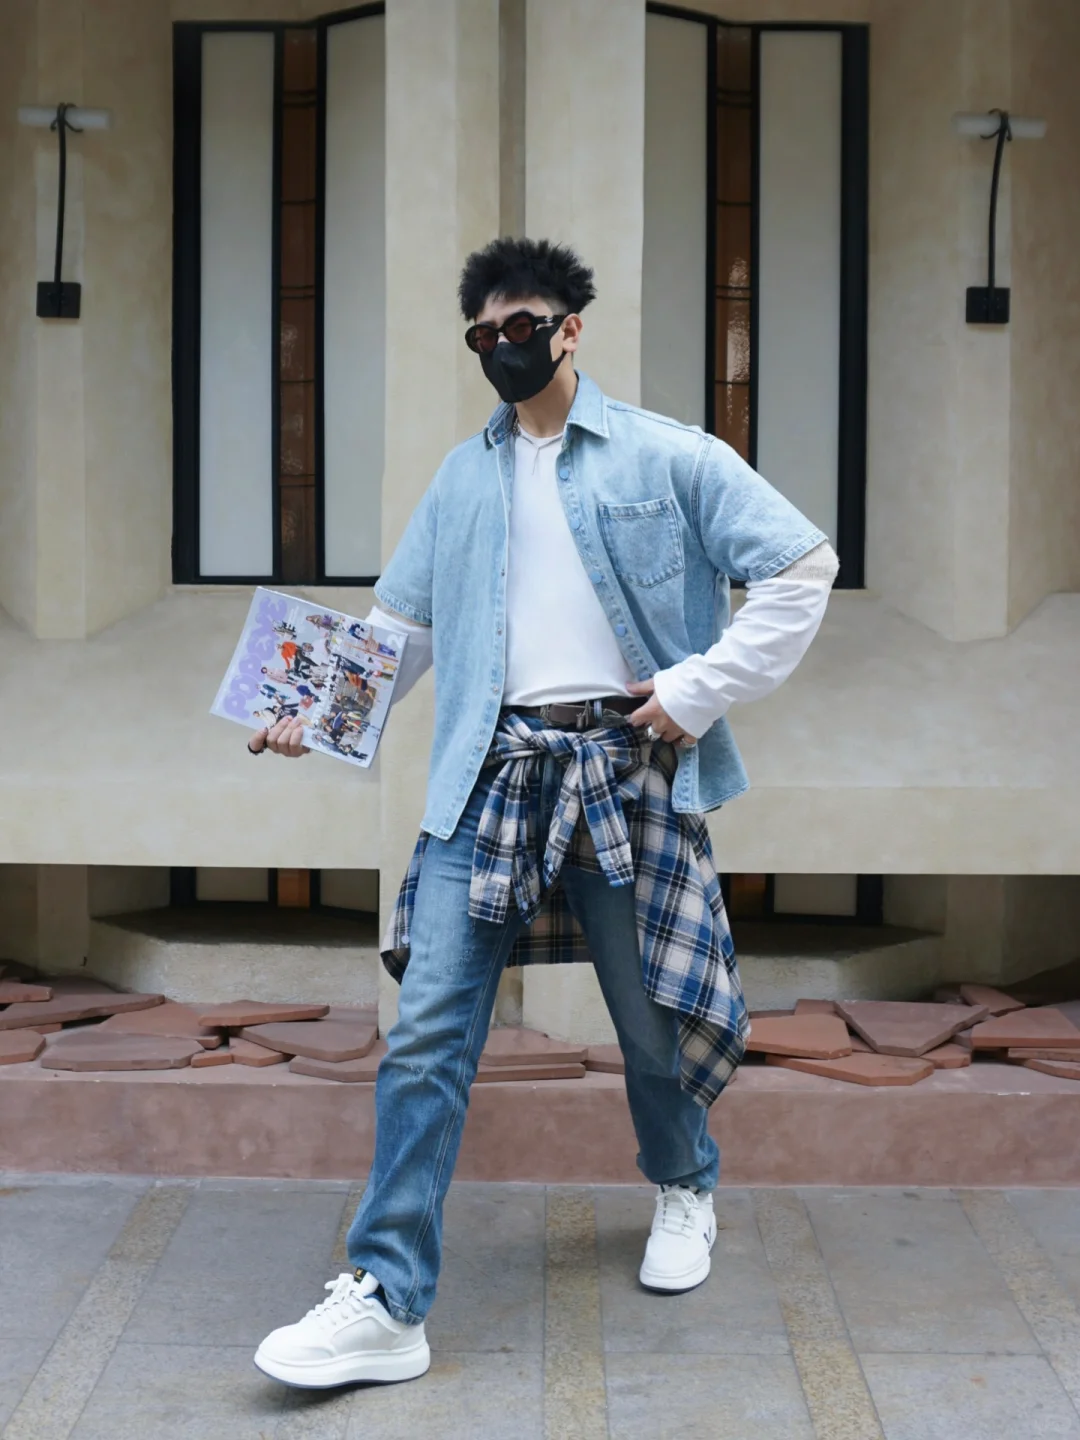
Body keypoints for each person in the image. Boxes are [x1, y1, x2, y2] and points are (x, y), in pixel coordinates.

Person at [246, 238, 838, 1390]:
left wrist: (698, 689)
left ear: (570, 329)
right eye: (485, 335)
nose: (503, 347)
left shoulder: (670, 455)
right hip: (491, 778)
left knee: (649, 1018)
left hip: (624, 768)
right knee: (427, 1031)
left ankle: (684, 1183)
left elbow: (799, 567)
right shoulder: (461, 481)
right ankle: (387, 1299)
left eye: (522, 326)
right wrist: (305, 712)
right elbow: (401, 634)